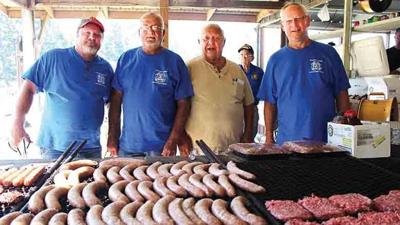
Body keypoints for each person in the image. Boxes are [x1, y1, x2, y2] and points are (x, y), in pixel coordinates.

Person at [10, 17, 114, 159]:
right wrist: (17, 123)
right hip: (55, 148)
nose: (92, 37)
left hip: (91, 147)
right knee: (52, 181)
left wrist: (112, 137)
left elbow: (111, 103)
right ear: (77, 35)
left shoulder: (105, 68)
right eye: (87, 33)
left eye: (97, 35)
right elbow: (28, 88)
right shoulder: (53, 58)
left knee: (92, 181)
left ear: (101, 40)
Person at [257, 2, 350, 145]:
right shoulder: (275, 60)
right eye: (288, 21)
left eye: (298, 19)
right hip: (287, 143)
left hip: (326, 141)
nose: (294, 24)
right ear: (283, 26)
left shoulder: (328, 54)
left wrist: (344, 131)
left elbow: (342, 93)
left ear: (307, 21)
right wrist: (269, 136)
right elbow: (270, 102)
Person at [107, 12, 193, 157]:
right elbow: (115, 101)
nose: (150, 32)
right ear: (139, 32)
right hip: (128, 146)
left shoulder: (175, 61)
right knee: (125, 180)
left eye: (155, 28)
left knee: (161, 180)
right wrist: (112, 136)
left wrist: (173, 140)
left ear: (163, 33)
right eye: (145, 28)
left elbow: (184, 104)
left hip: (162, 148)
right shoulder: (126, 59)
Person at [184, 24, 254, 154]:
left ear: (224, 42)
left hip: (233, 150)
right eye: (206, 38)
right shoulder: (188, 68)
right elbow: (177, 107)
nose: (211, 42)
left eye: (216, 38)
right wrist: (181, 138)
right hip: (198, 151)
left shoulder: (236, 70)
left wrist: (248, 135)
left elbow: (249, 105)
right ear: (199, 42)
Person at [238, 44, 264, 140]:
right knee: (237, 134)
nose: (244, 57)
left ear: (252, 57)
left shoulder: (258, 72)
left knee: (250, 134)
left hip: (252, 107)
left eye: (246, 55)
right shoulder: (235, 70)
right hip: (238, 108)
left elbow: (263, 90)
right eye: (241, 55)